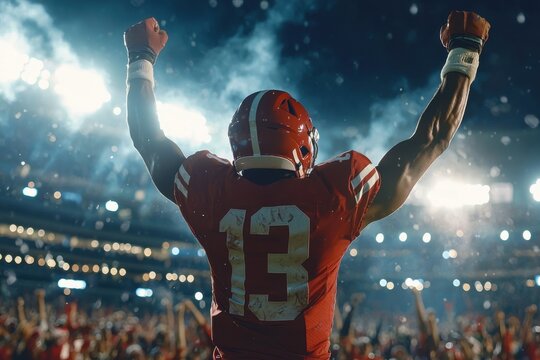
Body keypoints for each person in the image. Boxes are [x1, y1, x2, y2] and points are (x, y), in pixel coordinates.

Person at [123, 10, 491, 359]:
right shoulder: (334, 196)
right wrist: (464, 51)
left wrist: (141, 58)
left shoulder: (209, 190)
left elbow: (148, 140)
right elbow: (431, 139)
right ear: (302, 146)